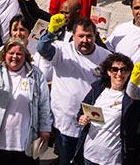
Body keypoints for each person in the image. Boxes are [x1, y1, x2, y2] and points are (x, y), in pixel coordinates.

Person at [37, 16, 111, 165]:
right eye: (81, 36)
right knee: (66, 161)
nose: (85, 40)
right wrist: (51, 32)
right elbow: (42, 49)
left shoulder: (106, 57)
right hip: (66, 121)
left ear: (95, 35)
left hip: (92, 123)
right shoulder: (62, 50)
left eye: (89, 36)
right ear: (73, 36)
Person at [0, 38, 53, 165]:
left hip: (27, 139)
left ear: (25, 55)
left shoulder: (35, 73)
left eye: (19, 54)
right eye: (11, 53)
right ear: (5, 54)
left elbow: (44, 103)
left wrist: (45, 128)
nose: (15, 57)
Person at [76, 54, 140, 165]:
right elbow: (82, 111)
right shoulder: (98, 88)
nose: (119, 74)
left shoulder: (132, 95)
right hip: (90, 155)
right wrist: (82, 118)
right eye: (115, 69)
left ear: (129, 73)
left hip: (115, 158)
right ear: (108, 72)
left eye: (124, 70)